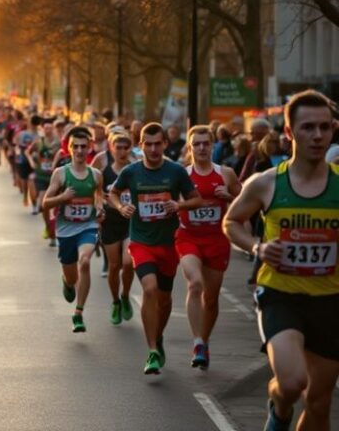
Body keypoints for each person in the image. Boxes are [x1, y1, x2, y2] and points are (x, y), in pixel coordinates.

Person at [223, 90, 339, 431]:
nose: (317, 136)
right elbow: (230, 222)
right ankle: (279, 404)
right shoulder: (267, 183)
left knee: (319, 403)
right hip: (281, 295)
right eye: (307, 128)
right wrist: (257, 247)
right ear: (289, 132)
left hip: (331, 301)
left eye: (324, 127)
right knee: (291, 383)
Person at [109, 122, 202, 375]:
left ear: (164, 144)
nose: (152, 149)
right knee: (149, 289)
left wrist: (178, 206)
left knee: (164, 299)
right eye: (147, 144)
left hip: (168, 243)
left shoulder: (175, 171)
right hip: (141, 241)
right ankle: (151, 351)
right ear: (141, 146)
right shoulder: (131, 172)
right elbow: (114, 194)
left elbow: (196, 199)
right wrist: (120, 207)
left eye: (157, 144)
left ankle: (158, 336)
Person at [175, 125, 241, 369]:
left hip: (216, 239)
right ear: (190, 148)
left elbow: (246, 205)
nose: (201, 148)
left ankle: (205, 339)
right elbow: (169, 204)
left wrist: (229, 197)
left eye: (206, 143)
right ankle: (198, 343)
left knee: (211, 299)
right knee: (195, 284)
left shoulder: (226, 174)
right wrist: (180, 205)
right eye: (196, 144)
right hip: (188, 237)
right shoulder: (181, 175)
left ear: (213, 146)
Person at [42, 126, 105, 334]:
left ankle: (78, 313)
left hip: (88, 226)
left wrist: (99, 207)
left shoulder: (96, 175)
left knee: (85, 261)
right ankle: (68, 283)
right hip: (66, 229)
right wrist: (63, 198)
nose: (79, 150)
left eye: (83, 147)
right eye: (75, 147)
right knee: (71, 275)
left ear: (89, 148)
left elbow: (99, 196)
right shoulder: (61, 174)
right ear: (69, 149)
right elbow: (46, 203)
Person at [101, 131, 136, 325]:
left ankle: (125, 295)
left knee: (128, 263)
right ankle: (115, 301)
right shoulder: (104, 172)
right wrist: (100, 208)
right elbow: (96, 196)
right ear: (111, 149)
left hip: (131, 222)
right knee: (114, 266)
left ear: (130, 149)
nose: (122, 151)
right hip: (110, 222)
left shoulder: (135, 171)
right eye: (118, 147)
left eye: (125, 147)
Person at [26, 118, 60, 240]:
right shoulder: (39, 142)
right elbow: (28, 152)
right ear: (43, 129)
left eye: (50, 128)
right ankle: (48, 227)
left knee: (55, 206)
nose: (48, 130)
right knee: (43, 205)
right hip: (41, 176)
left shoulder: (58, 143)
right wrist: (31, 162)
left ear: (53, 129)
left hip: (54, 178)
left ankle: (54, 229)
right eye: (46, 128)